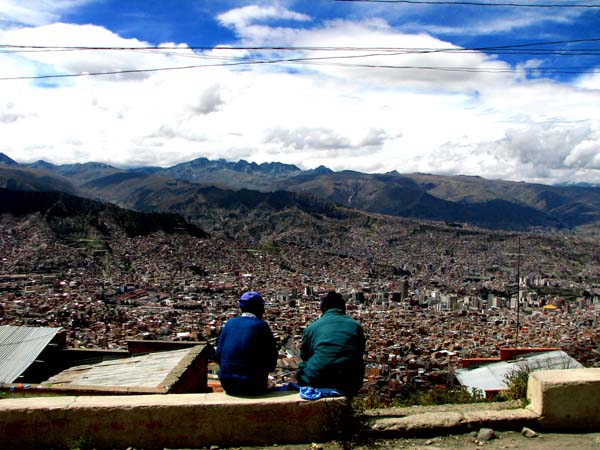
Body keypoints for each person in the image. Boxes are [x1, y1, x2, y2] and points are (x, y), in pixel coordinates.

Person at [296, 291, 366, 396]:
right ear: (344, 308)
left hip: (316, 380)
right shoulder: (356, 326)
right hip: (348, 382)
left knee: (302, 367)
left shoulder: (311, 328)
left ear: (323, 309)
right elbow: (359, 353)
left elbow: (305, 356)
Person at [216, 291, 278, 396]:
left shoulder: (229, 324)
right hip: (253, 384)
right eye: (262, 307)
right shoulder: (261, 326)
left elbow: (218, 355)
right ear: (258, 308)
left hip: (228, 384)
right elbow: (271, 359)